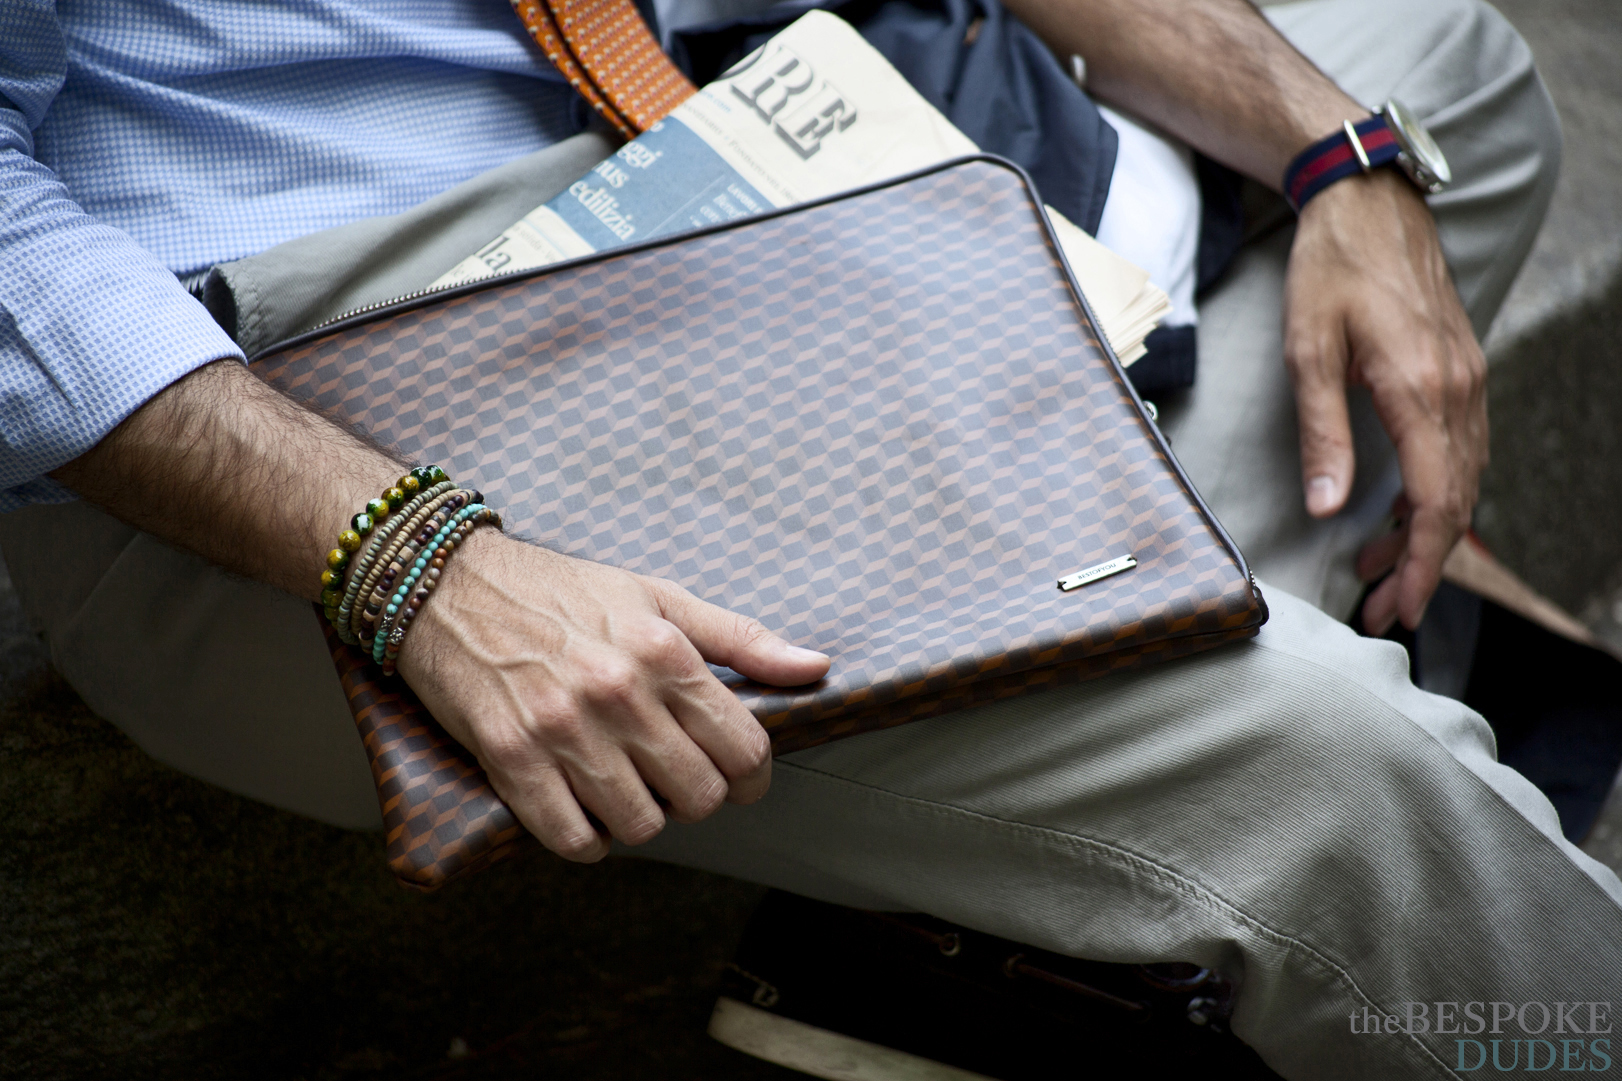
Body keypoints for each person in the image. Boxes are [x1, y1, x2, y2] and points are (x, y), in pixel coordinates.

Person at [2, 0, 1617, 1078]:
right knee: (1322, 766)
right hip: (323, 369)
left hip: (750, 122)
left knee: (1436, 71)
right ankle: (1164, 792)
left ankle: (966, 938)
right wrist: (405, 551)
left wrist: (1330, 150)